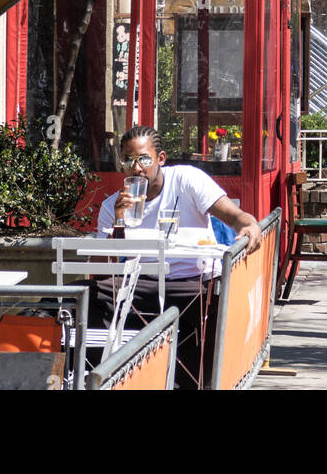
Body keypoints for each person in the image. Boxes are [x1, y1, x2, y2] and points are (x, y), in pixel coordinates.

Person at [95, 125, 262, 387]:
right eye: (128, 160)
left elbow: (234, 216)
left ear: (160, 159)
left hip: (194, 277)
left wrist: (250, 226)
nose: (136, 168)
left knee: (215, 303)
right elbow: (102, 268)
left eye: (144, 159)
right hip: (142, 279)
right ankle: (107, 377)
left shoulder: (186, 180)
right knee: (93, 295)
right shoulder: (113, 205)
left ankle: (200, 380)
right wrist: (119, 222)